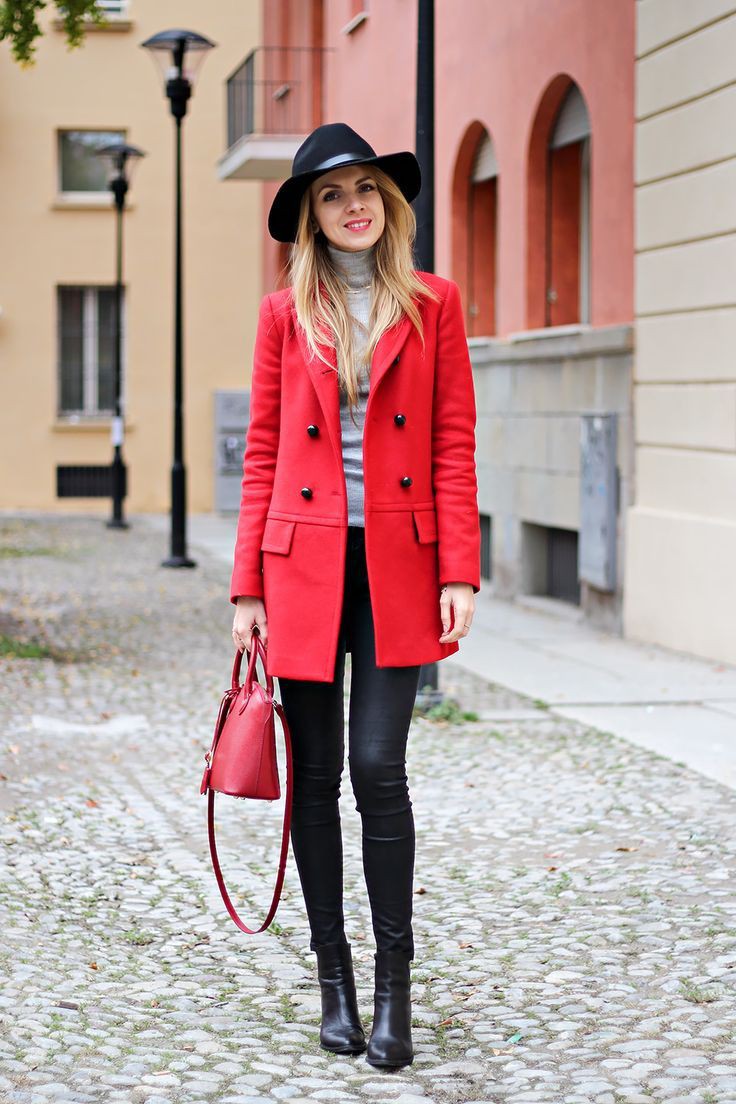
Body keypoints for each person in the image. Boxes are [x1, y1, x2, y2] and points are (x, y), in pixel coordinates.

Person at [230, 122, 481, 1070]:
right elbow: (263, 453)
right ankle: (332, 979)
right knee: (318, 776)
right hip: (301, 566)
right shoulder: (281, 315)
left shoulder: (433, 304)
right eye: (334, 196)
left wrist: (459, 567)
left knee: (379, 766)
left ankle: (393, 992)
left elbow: (452, 441)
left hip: (398, 565)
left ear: (390, 203)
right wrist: (245, 582)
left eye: (367, 189)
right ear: (310, 218)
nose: (355, 206)